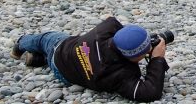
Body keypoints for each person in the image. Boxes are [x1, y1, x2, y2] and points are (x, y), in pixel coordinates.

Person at [10, 16, 169, 102]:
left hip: (63, 50)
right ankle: (35, 56)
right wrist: (157, 60)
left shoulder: (105, 31)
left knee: (42, 39)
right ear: (135, 57)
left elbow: (112, 21)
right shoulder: (122, 74)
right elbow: (149, 92)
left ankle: (21, 44)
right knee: (45, 41)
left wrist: (135, 40)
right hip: (66, 75)